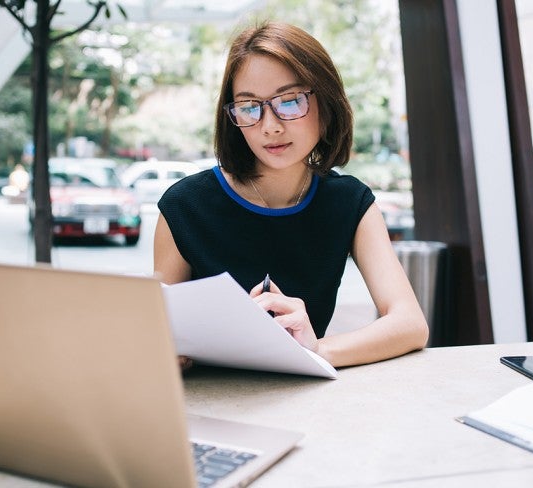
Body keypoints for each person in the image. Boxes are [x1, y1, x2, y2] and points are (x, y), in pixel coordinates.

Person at [155, 22, 428, 368]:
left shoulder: (351, 204)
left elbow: (410, 324)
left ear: (326, 107)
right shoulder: (183, 207)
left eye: (289, 101)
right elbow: (158, 334)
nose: (270, 125)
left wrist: (316, 350)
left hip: (307, 400)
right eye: (250, 106)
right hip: (206, 406)